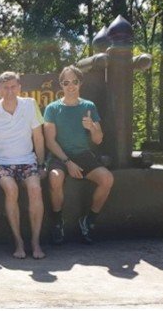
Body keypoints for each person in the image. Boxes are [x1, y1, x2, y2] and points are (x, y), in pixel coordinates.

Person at [43, 65, 114, 245]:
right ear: (61, 85)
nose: (71, 86)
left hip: (84, 155)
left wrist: (92, 127)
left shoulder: (89, 106)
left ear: (80, 83)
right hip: (60, 157)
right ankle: (58, 221)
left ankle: (89, 220)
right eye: (66, 82)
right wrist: (67, 163)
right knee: (55, 178)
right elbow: (50, 141)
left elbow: (98, 140)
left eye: (74, 81)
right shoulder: (52, 108)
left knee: (107, 179)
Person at [0, 71, 47, 259]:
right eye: (5, 87)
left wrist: (41, 165)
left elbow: (38, 137)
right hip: (2, 163)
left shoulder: (30, 105)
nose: (9, 91)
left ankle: (35, 241)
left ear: (19, 88)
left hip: (27, 160)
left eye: (13, 87)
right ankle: (18, 242)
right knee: (11, 190)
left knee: (35, 189)